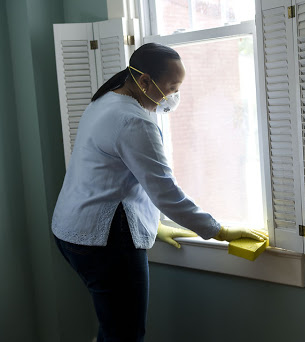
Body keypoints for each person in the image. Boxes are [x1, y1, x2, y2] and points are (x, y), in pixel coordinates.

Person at [52, 43, 268, 342]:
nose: (174, 96)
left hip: (70, 231)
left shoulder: (104, 101)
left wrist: (153, 224)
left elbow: (114, 178)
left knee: (112, 326)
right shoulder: (134, 121)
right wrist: (219, 230)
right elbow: (165, 193)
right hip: (104, 241)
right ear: (143, 81)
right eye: (172, 87)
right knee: (125, 334)